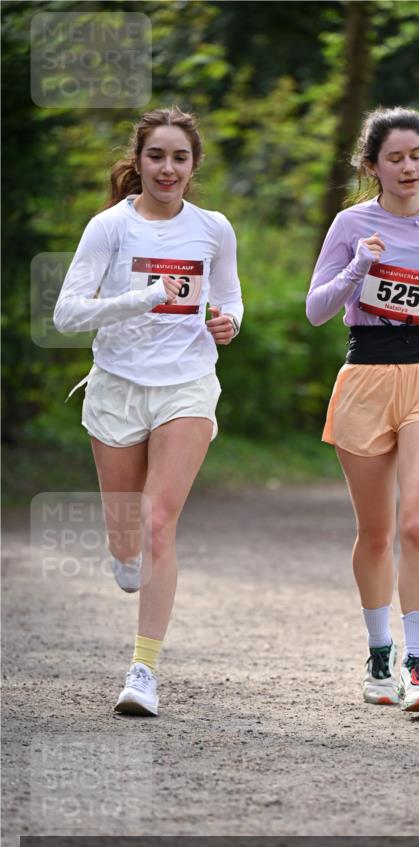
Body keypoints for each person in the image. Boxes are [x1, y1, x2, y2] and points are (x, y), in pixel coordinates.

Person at [53, 107, 243, 717]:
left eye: (179, 158)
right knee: (127, 534)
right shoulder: (109, 228)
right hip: (116, 387)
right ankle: (123, 551)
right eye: (156, 156)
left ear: (194, 166)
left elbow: (232, 297)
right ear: (138, 162)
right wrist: (145, 297)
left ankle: (143, 670)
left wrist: (228, 322)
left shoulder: (213, 228)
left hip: (186, 385)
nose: (167, 168)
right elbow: (66, 315)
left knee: (161, 521)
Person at [306, 107, 419, 714]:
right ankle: (379, 653)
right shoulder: (351, 223)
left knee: (416, 523)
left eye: (417, 155)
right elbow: (316, 309)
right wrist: (358, 268)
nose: (409, 168)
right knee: (377, 533)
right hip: (366, 377)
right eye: (395, 158)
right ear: (372, 166)